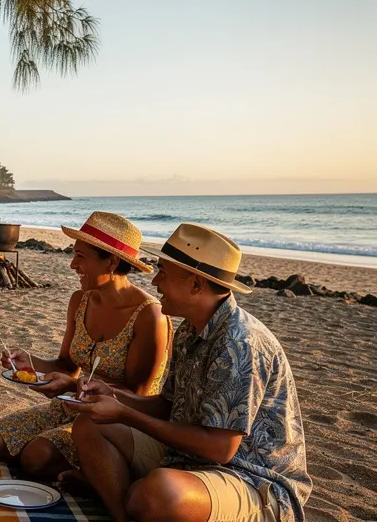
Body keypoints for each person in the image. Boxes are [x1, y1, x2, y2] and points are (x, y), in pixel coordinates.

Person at [68, 223, 311, 522]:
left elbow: (220, 448)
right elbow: (167, 405)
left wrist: (124, 414)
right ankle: (124, 514)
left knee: (158, 493)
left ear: (196, 285)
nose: (154, 281)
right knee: (88, 425)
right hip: (189, 459)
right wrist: (113, 397)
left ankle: (138, 500)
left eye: (163, 273)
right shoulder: (189, 330)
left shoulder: (239, 342)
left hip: (251, 477)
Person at [0, 212, 173, 480]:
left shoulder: (148, 315)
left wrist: (73, 387)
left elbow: (138, 396)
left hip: (114, 422)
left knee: (34, 458)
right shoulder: (80, 300)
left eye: (80, 256)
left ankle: (100, 474)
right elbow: (67, 366)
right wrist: (30, 362)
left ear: (112, 261)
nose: (72, 264)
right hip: (72, 404)